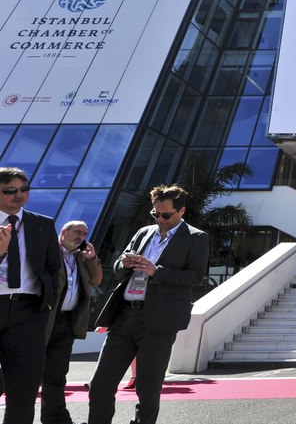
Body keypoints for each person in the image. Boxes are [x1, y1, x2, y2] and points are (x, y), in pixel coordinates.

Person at [87, 184, 209, 424]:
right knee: (100, 384)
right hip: (124, 317)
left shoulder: (196, 237)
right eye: (155, 214)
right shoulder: (143, 233)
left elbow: (195, 276)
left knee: (148, 388)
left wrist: (157, 271)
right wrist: (125, 264)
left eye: (166, 215)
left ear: (181, 211)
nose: (160, 220)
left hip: (159, 321)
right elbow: (118, 267)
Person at [0, 167, 62, 424]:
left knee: (24, 389)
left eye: (24, 189)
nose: (19, 195)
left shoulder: (43, 224)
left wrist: (46, 305)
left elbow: (53, 269)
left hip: (29, 312)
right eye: (10, 191)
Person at [42, 220, 102, 424]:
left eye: (84, 234)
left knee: (56, 376)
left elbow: (95, 280)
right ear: (64, 231)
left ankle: (56, 420)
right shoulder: (47, 250)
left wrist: (92, 258)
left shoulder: (81, 257)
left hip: (66, 323)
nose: (81, 237)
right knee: (20, 371)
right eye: (77, 232)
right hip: (41, 321)